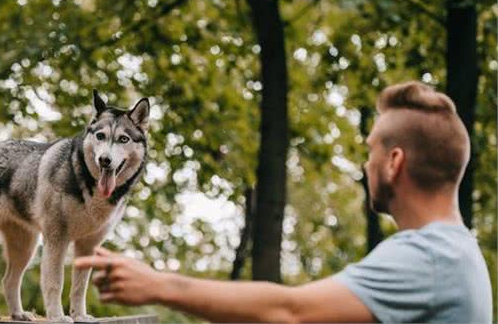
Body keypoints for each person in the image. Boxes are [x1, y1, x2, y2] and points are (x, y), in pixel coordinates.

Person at [74, 82, 493, 323]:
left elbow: (291, 311)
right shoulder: (456, 253)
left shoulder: (429, 258)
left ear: (395, 162)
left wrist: (159, 284)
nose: (366, 166)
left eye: (371, 152)